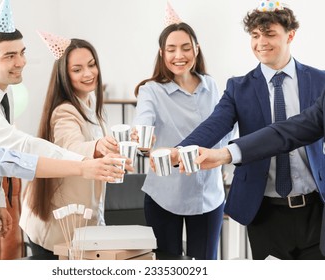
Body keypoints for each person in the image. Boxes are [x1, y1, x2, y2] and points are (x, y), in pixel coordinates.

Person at [0, 1, 129, 260]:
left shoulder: (1, 94)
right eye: (10, 55)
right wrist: (84, 163)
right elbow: (19, 147)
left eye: (22, 52)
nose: (21, 62)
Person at [169, 2, 325, 259]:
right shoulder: (238, 87)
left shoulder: (319, 81)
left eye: (270, 33)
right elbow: (215, 124)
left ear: (291, 34)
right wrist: (180, 150)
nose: (261, 42)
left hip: (316, 207)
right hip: (264, 210)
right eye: (255, 35)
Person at [132, 21, 229, 260]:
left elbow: (224, 129)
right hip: (165, 195)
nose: (179, 55)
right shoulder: (151, 90)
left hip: (209, 195)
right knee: (167, 265)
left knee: (206, 265)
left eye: (186, 48)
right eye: (171, 49)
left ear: (196, 49)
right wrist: (142, 138)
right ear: (162, 53)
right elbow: (142, 122)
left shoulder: (211, 85)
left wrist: (224, 158)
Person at [19, 37, 122, 257]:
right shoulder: (64, 111)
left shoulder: (90, 103)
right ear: (65, 75)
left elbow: (96, 145)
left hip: (83, 220)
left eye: (91, 65)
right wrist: (98, 147)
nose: (88, 73)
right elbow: (72, 147)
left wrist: (117, 148)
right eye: (77, 69)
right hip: (55, 227)